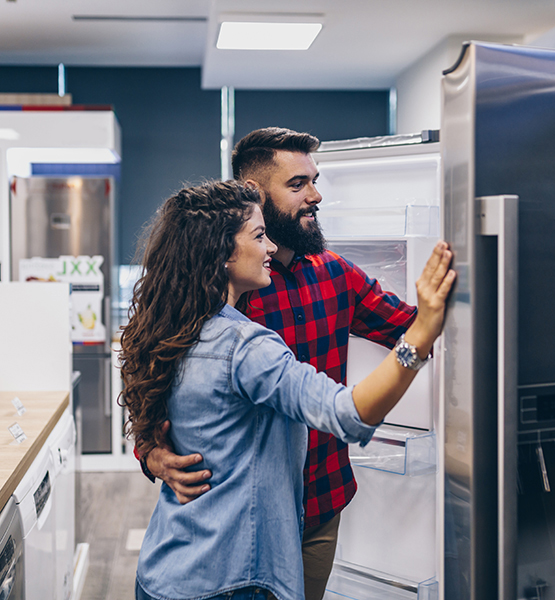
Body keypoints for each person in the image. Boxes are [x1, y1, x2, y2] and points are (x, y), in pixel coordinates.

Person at [121, 180, 454, 600]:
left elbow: (154, 397)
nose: (270, 248)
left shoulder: (172, 323)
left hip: (168, 568)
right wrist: (422, 333)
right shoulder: (245, 345)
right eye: (259, 237)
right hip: (237, 579)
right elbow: (347, 414)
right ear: (221, 252)